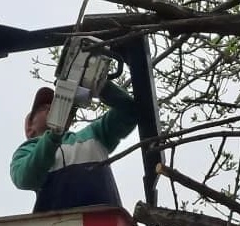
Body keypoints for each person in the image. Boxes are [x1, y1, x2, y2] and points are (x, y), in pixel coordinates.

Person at [8, 78, 141, 211]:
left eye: (54, 106)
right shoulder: (26, 151)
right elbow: (25, 178)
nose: (51, 108)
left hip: (104, 223)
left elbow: (129, 111)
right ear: (29, 128)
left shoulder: (94, 134)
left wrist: (98, 84)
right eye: (43, 108)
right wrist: (54, 134)